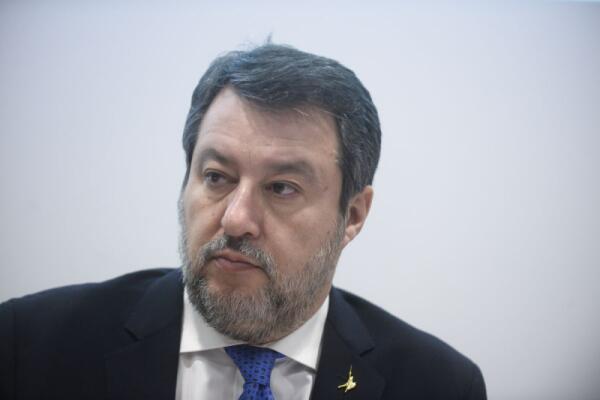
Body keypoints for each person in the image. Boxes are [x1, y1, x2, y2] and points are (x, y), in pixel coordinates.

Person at [0, 43, 486, 400]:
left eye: (281, 188)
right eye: (216, 177)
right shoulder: (30, 344)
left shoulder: (438, 384)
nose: (235, 220)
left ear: (353, 215)